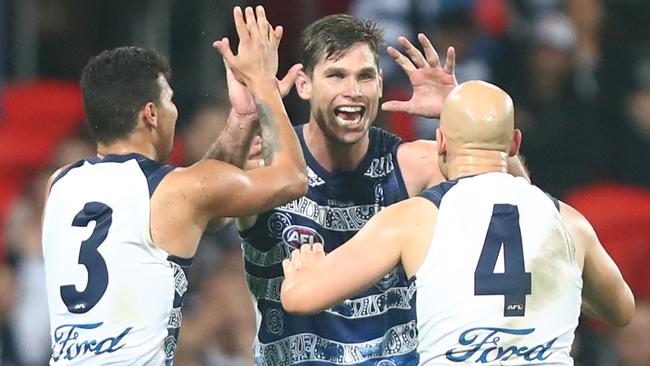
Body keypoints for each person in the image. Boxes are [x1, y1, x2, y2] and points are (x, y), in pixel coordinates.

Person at [231, 14, 528, 365]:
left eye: (365, 76)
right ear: (304, 85)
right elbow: (203, 216)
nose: (353, 91)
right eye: (336, 75)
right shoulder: (269, 168)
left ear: (381, 84)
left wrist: (464, 123)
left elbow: (521, 207)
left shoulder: (414, 166)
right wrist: (238, 125)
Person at [280, 80, 635, 365]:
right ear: (514, 144)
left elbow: (301, 298)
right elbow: (621, 311)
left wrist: (302, 270)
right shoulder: (569, 223)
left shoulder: (415, 218)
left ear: (441, 141)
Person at [41, 6, 307, 365]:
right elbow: (292, 178)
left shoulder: (60, 183)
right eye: (169, 100)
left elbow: (200, 209)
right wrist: (264, 87)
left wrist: (241, 122)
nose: (174, 111)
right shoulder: (175, 190)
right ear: (150, 114)